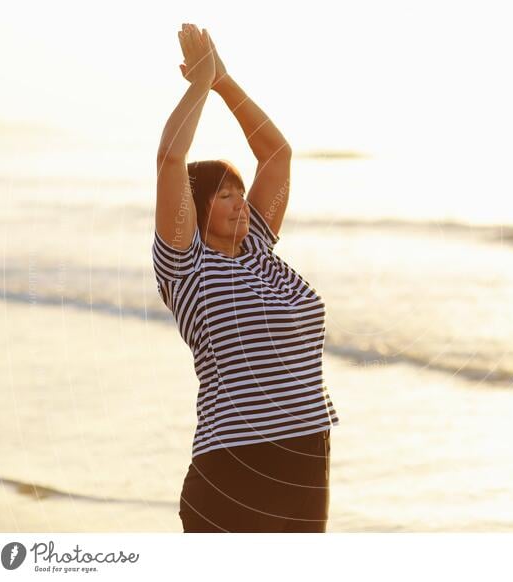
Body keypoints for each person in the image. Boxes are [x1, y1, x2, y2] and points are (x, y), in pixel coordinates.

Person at [154, 23, 340, 532]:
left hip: (307, 458)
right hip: (235, 466)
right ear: (194, 207)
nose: (240, 204)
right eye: (225, 195)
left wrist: (224, 80)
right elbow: (170, 159)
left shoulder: (257, 244)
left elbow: (277, 154)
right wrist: (198, 84)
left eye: (242, 192)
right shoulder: (185, 265)